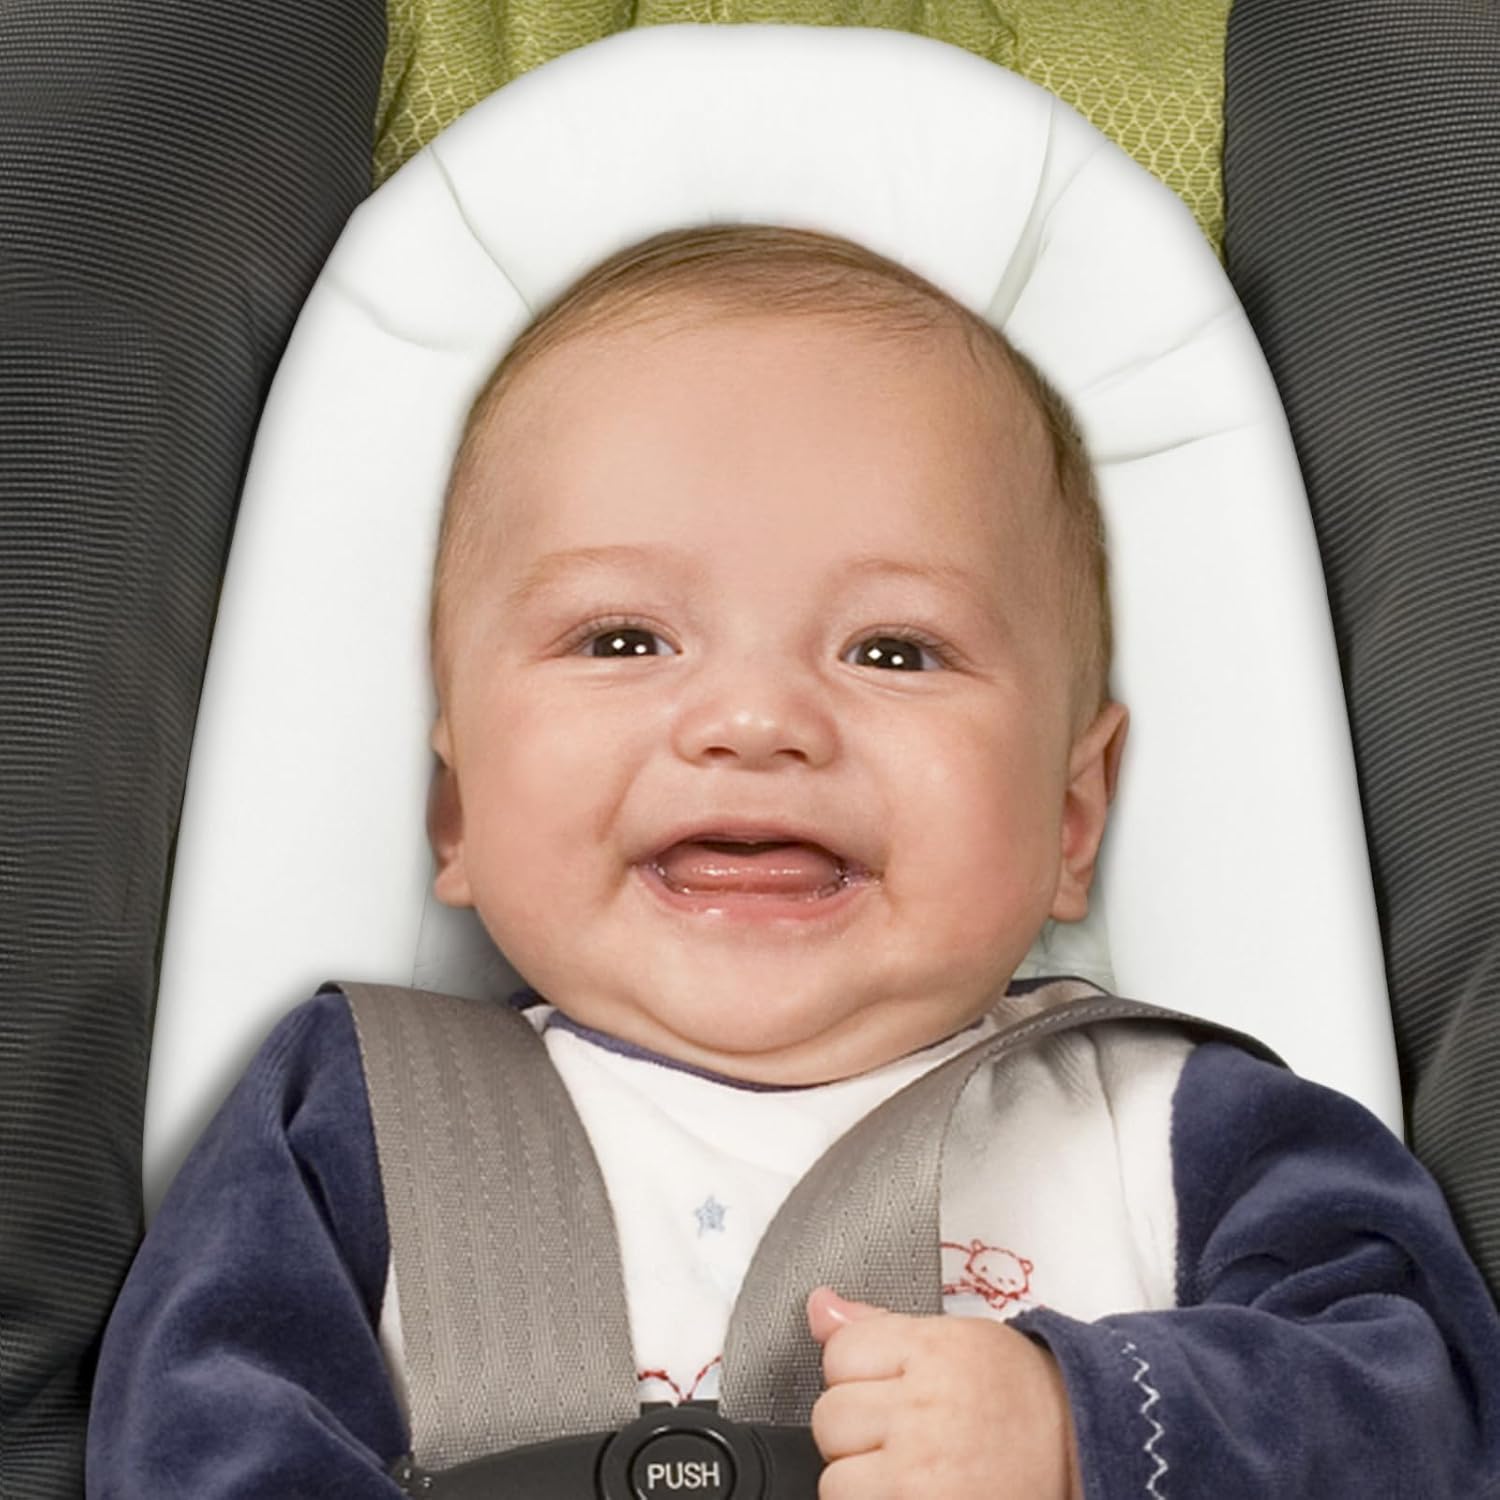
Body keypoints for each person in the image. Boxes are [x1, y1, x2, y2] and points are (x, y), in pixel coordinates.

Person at [85, 224, 1500, 1497]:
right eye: (623, 638)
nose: (757, 719)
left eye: (894, 650)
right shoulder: (356, 1119)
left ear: (1072, 819)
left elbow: (1427, 1407)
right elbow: (198, 1437)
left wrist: (1085, 1428)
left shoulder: (1176, 1126)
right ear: (455, 812)